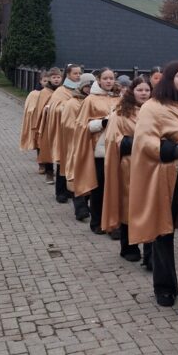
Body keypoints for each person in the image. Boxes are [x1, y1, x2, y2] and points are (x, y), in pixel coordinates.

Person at [128, 61, 178, 305]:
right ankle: (164, 287)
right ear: (169, 78)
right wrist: (172, 149)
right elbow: (144, 140)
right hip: (163, 176)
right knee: (163, 234)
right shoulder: (153, 107)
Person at [102, 76, 152, 262]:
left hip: (151, 166)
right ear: (132, 91)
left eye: (147, 90)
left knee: (150, 208)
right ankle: (129, 247)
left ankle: (151, 252)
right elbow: (112, 139)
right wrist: (136, 143)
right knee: (129, 206)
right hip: (129, 167)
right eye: (140, 90)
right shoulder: (121, 113)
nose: (144, 93)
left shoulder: (156, 111)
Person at [72, 67, 119, 233]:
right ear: (99, 80)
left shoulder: (119, 98)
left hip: (117, 148)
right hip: (99, 149)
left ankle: (113, 222)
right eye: (105, 78)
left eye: (111, 78)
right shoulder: (90, 100)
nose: (109, 81)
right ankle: (97, 222)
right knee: (99, 188)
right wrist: (102, 123)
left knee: (114, 187)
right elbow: (81, 125)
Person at [43, 63, 83, 203]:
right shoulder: (61, 91)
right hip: (64, 130)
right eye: (75, 73)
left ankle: (71, 189)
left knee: (75, 160)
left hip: (78, 130)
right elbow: (54, 108)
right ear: (68, 74)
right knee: (63, 160)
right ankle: (61, 191)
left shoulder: (82, 89)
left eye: (79, 73)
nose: (78, 75)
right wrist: (69, 106)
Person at [59, 73, 95, 221]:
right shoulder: (73, 103)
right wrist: (85, 129)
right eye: (87, 86)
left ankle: (87, 204)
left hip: (93, 145)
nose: (89, 89)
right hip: (77, 144)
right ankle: (80, 208)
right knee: (78, 175)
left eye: (91, 86)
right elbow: (68, 124)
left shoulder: (95, 101)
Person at [32, 67, 63, 181]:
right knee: (48, 147)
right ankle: (49, 171)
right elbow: (40, 108)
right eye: (54, 77)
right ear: (50, 78)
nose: (56, 79)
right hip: (47, 123)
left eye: (58, 77)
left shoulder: (63, 91)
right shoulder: (45, 92)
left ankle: (61, 173)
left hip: (60, 123)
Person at [19, 71, 48, 155]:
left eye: (48, 81)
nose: (46, 83)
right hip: (38, 119)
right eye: (45, 81)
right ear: (40, 81)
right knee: (39, 137)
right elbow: (29, 107)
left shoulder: (53, 93)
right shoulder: (34, 94)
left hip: (48, 119)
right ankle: (40, 154)